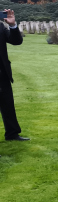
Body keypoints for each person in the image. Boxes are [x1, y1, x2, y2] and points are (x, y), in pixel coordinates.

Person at [0, 8, 27, 141]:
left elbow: (16, 41)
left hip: (2, 72)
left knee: (7, 105)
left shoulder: (0, 26)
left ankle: (12, 133)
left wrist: (12, 25)